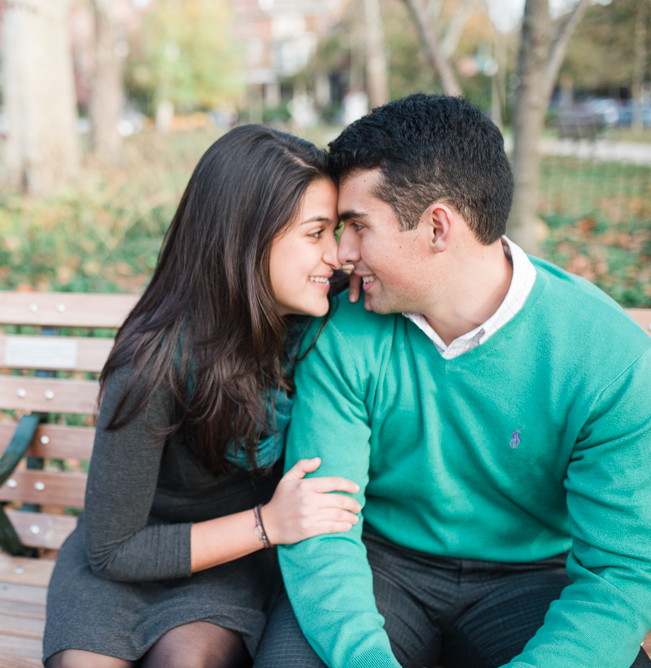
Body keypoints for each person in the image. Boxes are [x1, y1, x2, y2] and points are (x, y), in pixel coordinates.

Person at [255, 94, 651, 668]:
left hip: (530, 582)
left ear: (438, 226)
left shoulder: (606, 356)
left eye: (358, 226)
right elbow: (323, 528)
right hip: (377, 567)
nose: (342, 253)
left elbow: (618, 575)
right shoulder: (345, 333)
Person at [43, 124, 363, 668]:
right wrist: (269, 523)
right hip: (130, 559)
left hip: (228, 564)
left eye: (336, 231)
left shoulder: (322, 320)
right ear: (247, 239)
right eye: (316, 234)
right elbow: (112, 548)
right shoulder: (155, 359)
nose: (337, 255)